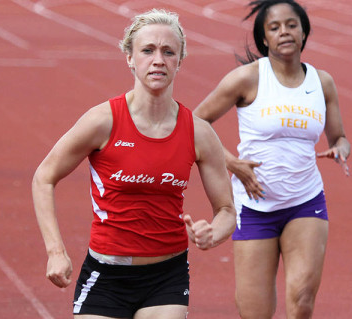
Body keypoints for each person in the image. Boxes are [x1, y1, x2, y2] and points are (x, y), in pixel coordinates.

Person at [32, 9, 236, 319]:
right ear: (130, 57)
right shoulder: (102, 121)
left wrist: (214, 233)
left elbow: (226, 211)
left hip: (167, 276)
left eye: (168, 52)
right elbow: (43, 178)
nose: (158, 60)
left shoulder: (199, 133)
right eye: (147, 50)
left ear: (180, 60)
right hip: (106, 275)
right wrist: (55, 252)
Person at [193, 0, 351, 318]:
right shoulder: (247, 78)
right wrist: (232, 163)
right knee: (255, 311)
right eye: (274, 28)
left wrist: (340, 149)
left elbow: (339, 137)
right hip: (255, 206)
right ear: (264, 38)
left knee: (302, 300)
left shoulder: (322, 82)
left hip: (305, 201)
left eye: (291, 25)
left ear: (304, 31)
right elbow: (196, 122)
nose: (284, 33)